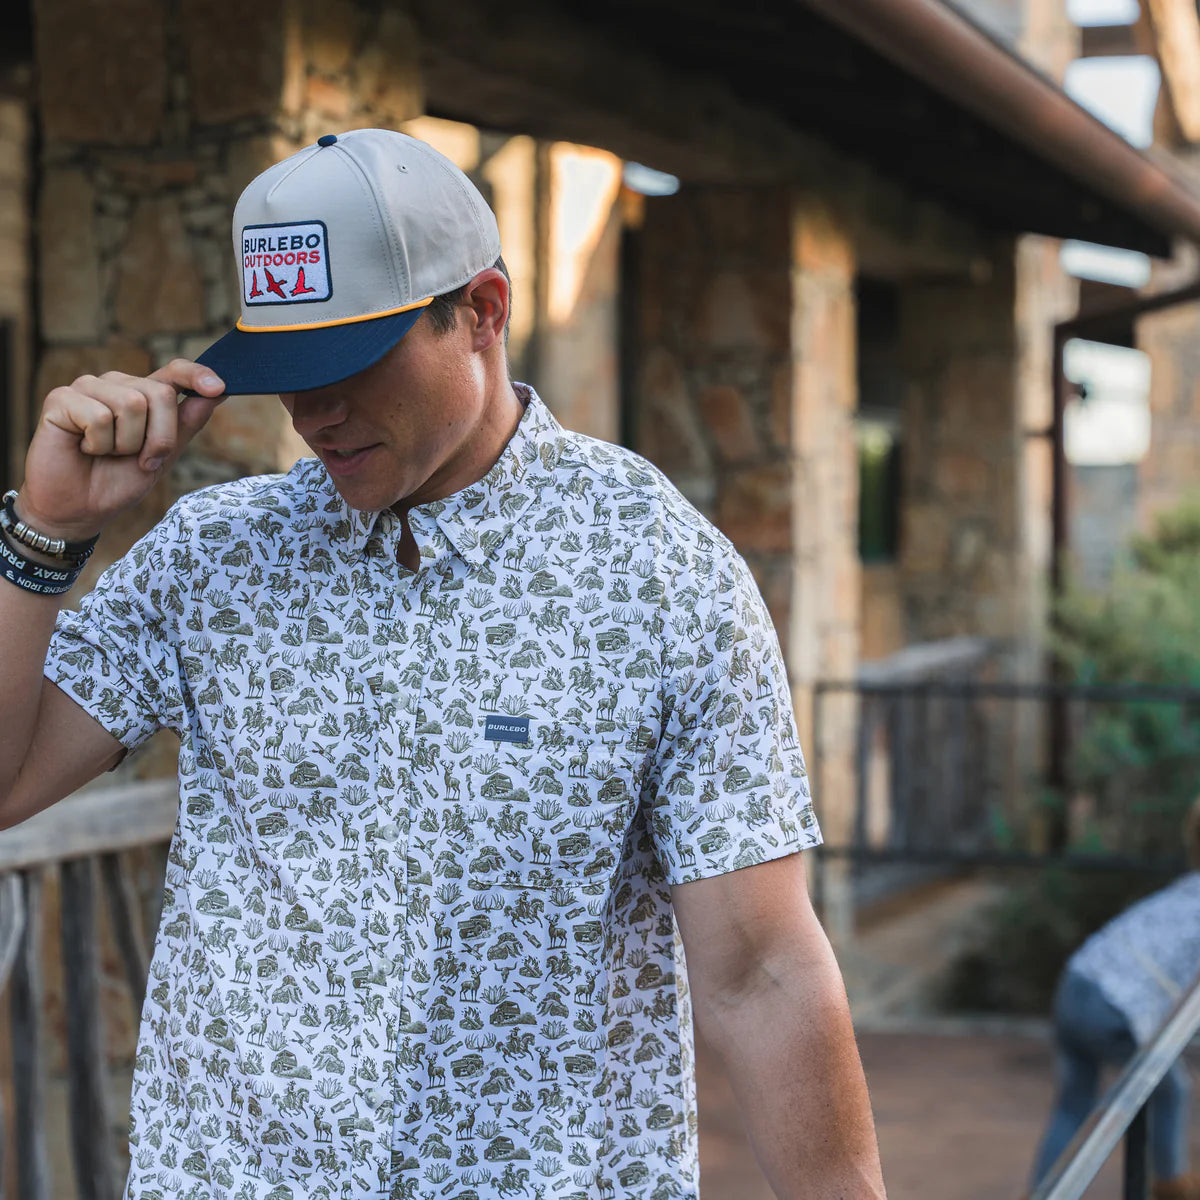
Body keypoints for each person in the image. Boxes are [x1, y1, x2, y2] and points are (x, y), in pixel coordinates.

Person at [2, 129, 887, 1199]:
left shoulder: (655, 572)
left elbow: (762, 972)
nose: (312, 413)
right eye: (285, 372)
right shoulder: (212, 557)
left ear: (482, 311)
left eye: (349, 362)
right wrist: (45, 535)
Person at [1028, 797, 1200, 1200]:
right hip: (1112, 1004)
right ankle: (1171, 1185)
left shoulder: (1186, 889)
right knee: (1168, 1087)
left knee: (1074, 1102)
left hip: (1076, 981)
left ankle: (1039, 1193)